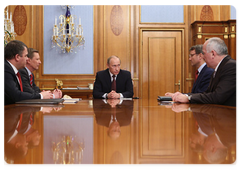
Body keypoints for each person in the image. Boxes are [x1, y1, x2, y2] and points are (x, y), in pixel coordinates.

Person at [165, 37, 237, 107]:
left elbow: (218, 96)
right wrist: (185, 96)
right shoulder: (219, 68)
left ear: (213, 54)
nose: (203, 57)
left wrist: (189, 98)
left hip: (229, 116)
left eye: (204, 53)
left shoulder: (231, 66)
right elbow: (206, 93)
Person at [2, 40, 53, 106]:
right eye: (26, 56)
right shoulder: (4, 68)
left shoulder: (12, 69)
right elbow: (15, 95)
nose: (27, 59)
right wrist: (41, 96)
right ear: (17, 57)